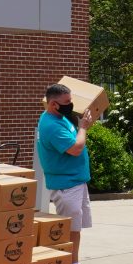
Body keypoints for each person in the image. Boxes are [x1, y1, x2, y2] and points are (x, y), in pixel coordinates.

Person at [34, 82, 93, 237]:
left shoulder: (59, 117)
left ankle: (73, 261)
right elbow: (75, 148)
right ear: (54, 104)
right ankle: (69, 261)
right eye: (67, 102)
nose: (71, 105)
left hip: (75, 181)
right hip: (66, 185)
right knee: (69, 229)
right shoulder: (52, 126)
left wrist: (81, 127)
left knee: (75, 227)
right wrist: (83, 128)